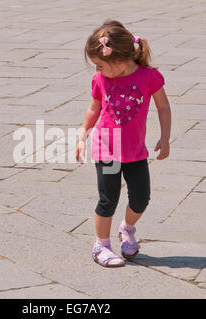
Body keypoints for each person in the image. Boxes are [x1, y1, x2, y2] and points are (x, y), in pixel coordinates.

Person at [76, 20, 171, 267]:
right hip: (106, 147)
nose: (97, 69)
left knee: (141, 198)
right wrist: (83, 133)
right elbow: (93, 108)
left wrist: (165, 137)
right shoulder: (101, 80)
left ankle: (127, 229)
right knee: (108, 199)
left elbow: (163, 106)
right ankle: (101, 246)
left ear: (118, 60)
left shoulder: (149, 77)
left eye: (99, 64)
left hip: (135, 150)